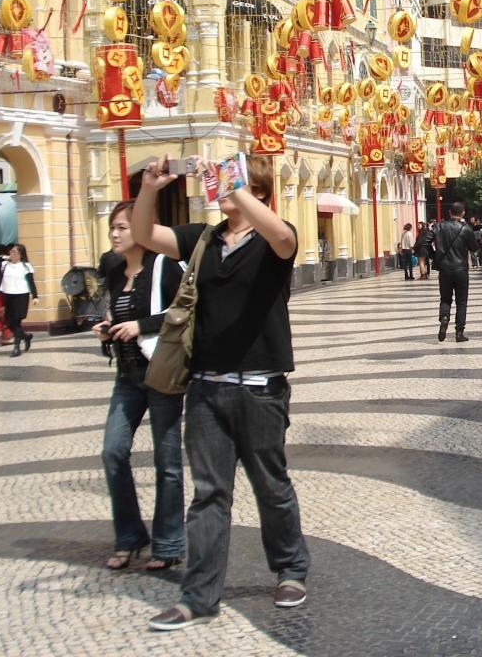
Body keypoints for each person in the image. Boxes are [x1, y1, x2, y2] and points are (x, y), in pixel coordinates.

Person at [134, 154, 309, 631]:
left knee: (271, 486)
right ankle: (197, 597)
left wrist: (237, 190)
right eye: (225, 182)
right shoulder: (204, 239)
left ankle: (291, 569)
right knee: (209, 494)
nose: (224, 190)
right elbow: (145, 234)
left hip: (260, 388)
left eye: (239, 183)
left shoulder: (275, 239)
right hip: (206, 388)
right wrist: (149, 188)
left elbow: (282, 237)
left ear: (260, 192)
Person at [96, 200, 185, 571]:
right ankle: (130, 536)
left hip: (161, 373)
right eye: (113, 227)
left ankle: (168, 544)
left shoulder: (165, 266)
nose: (115, 234)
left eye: (122, 227)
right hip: (127, 376)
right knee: (112, 451)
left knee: (168, 461)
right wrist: (108, 329)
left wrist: (141, 326)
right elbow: (118, 313)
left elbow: (186, 310)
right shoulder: (114, 270)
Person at [434, 202, 479, 343]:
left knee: (445, 298)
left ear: (449, 212)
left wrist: (435, 256)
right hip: (461, 269)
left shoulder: (439, 227)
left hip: (444, 269)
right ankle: (459, 333)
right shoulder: (466, 229)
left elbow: (426, 242)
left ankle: (444, 318)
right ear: (463, 213)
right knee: (461, 302)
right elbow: (474, 248)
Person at [0, 243, 38, 357]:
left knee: (16, 322)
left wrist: (35, 296)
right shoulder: (5, 264)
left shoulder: (25, 266)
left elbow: (31, 282)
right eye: (10, 252)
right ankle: (26, 337)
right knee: (8, 322)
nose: (11, 253)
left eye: (14, 252)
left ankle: (16, 348)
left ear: (20, 255)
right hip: (8, 295)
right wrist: (4, 257)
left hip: (21, 296)